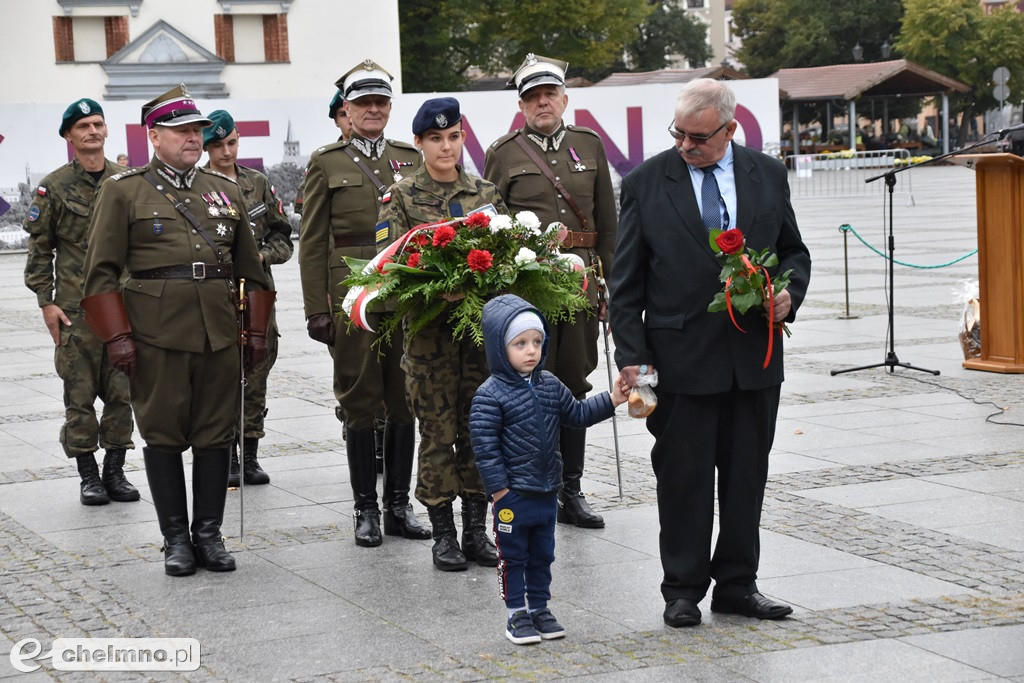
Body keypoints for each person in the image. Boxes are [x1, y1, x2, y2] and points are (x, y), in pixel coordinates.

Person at [608, 78, 811, 627]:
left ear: (731, 128)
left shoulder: (765, 173)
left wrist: (788, 297)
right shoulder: (647, 181)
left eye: (699, 137)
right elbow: (624, 290)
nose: (686, 146)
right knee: (683, 479)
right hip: (676, 365)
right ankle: (682, 589)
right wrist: (637, 369)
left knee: (746, 478)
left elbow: (792, 251)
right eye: (679, 134)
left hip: (754, 361)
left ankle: (738, 585)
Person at [82, 85, 273, 576]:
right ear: (155, 135)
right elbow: (99, 273)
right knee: (163, 435)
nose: (194, 138)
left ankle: (208, 534)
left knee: (215, 435)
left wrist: (255, 333)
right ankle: (175, 540)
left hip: (219, 333)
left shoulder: (224, 190)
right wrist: (117, 337)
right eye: (183, 131)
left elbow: (255, 271)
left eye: (198, 131)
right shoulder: (124, 190)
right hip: (155, 334)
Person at [298, 60, 429, 548]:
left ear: (389, 108)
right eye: (363, 103)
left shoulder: (409, 157)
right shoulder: (326, 162)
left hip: (404, 294)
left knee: (403, 399)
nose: (373, 110)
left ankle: (398, 505)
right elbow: (311, 242)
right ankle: (365, 508)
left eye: (380, 102)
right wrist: (318, 307)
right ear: (347, 110)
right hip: (351, 299)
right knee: (359, 401)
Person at [484, 53, 617, 530]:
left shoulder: (589, 145)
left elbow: (607, 222)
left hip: (580, 281)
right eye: (532, 97)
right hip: (531, 285)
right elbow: (492, 224)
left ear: (564, 98)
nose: (543, 103)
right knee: (529, 384)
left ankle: (571, 490)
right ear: (521, 105)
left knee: (575, 380)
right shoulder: (504, 152)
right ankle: (533, 482)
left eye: (550, 94)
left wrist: (612, 284)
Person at [379, 97, 508, 571]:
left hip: (480, 338)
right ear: (418, 143)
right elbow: (388, 275)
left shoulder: (486, 194)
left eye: (453, 136)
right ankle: (443, 535)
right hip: (430, 340)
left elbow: (509, 260)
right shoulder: (401, 198)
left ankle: (477, 530)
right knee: (437, 433)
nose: (446, 147)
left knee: (480, 433)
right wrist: (437, 293)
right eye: (435, 138)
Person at [470, 294, 628, 645]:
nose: (531, 350)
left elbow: (578, 415)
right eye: (520, 343)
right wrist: (499, 492)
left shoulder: (551, 385)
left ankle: (540, 607)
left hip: (546, 492)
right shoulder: (488, 395)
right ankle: (516, 614)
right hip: (513, 496)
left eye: (537, 342)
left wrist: (613, 398)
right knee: (512, 558)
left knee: (543, 555)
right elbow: (485, 449)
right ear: (499, 346)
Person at [23, 98, 137, 506]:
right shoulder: (54, 186)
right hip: (76, 311)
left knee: (123, 392)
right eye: (83, 126)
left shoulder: (127, 180)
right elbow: (40, 249)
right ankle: (88, 475)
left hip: (123, 307)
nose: (92, 131)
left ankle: (116, 471)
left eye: (98, 124)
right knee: (80, 395)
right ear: (69, 136)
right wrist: (46, 302)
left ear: (106, 132)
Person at [203, 109, 293, 487]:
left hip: (256, 291)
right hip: (217, 292)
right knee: (222, 372)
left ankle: (251, 453)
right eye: (219, 145)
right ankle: (228, 456)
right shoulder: (199, 185)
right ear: (207, 147)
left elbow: (283, 237)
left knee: (257, 367)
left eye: (232, 142)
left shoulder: (256, 183)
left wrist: (262, 256)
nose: (227, 151)